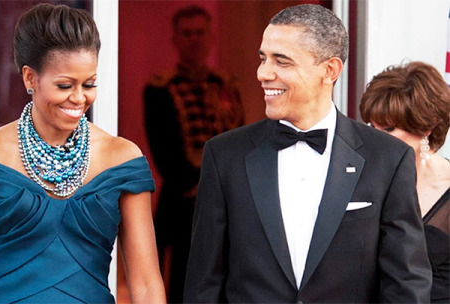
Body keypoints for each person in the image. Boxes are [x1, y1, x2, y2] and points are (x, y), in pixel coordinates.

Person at [184, 4, 432, 303]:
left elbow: (406, 283)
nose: (263, 73)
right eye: (263, 58)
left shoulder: (388, 159)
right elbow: (204, 284)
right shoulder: (225, 156)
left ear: (330, 70)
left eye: (282, 61)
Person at [0, 4, 165, 303]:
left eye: (89, 84)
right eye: (65, 85)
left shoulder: (122, 159)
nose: (80, 98)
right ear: (30, 78)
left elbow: (146, 284)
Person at [143, 5, 244, 302]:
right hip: (182, 203)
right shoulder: (160, 89)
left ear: (210, 36)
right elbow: (163, 151)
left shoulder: (226, 85)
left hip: (225, 200)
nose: (194, 40)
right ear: (175, 39)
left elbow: (240, 138)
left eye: (200, 32)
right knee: (179, 283)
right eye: (187, 34)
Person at [360, 61, 450, 303]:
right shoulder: (360, 180)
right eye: (371, 126)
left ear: (427, 127)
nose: (375, 138)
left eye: (388, 129)